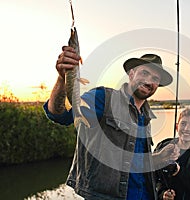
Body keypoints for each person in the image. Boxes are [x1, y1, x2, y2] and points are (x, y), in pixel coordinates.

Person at [43, 45, 180, 200]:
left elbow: (136, 161)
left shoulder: (146, 117)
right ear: (131, 73)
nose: (149, 81)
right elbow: (59, 114)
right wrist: (63, 78)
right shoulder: (103, 98)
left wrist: (160, 157)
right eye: (145, 73)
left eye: (155, 79)